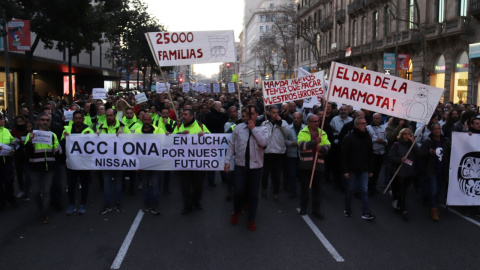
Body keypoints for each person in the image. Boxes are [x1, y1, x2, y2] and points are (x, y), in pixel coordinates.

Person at [226, 105, 270, 231]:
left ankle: (251, 219)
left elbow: (264, 143)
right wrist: (227, 161)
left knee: (253, 194)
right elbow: (231, 145)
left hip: (255, 167)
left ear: (257, 115)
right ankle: (237, 210)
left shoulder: (263, 129)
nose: (250, 116)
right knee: (238, 191)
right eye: (247, 113)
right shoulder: (239, 128)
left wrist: (253, 129)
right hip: (240, 166)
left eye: (252, 113)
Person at [24, 112, 61, 224]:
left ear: (49, 123)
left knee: (46, 192)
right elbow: (27, 152)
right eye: (42, 120)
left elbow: (57, 151)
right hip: (35, 168)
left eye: (47, 120)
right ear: (38, 122)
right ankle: (42, 208)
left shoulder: (53, 135)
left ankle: (45, 213)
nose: (45, 122)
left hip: (48, 168)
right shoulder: (31, 135)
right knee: (35, 192)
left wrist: (57, 150)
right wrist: (30, 141)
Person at [174, 109, 210, 215]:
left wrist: (205, 134)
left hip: (199, 162)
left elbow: (212, 138)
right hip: (184, 162)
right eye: (182, 114)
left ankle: (196, 201)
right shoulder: (179, 127)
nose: (183, 117)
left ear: (191, 116)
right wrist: (180, 134)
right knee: (185, 186)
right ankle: (187, 205)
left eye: (185, 114)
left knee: (198, 185)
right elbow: (171, 140)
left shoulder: (201, 126)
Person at [97, 108, 131, 214]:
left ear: (115, 115)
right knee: (106, 183)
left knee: (118, 182)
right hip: (106, 160)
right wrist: (96, 135)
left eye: (111, 115)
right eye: (107, 116)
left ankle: (117, 202)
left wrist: (123, 136)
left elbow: (131, 140)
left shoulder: (122, 126)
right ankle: (107, 204)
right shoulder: (101, 127)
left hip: (118, 160)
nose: (109, 117)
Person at [341, 117, 376, 220]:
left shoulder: (367, 137)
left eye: (365, 123)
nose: (364, 125)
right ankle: (347, 209)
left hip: (364, 168)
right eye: (362, 123)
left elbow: (370, 154)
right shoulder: (349, 137)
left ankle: (366, 212)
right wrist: (345, 170)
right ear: (356, 125)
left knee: (364, 190)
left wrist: (371, 169)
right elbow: (344, 155)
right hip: (352, 168)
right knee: (350, 190)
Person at [61, 111, 94, 215]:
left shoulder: (89, 130)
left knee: (84, 185)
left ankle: (83, 204)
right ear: (73, 119)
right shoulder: (67, 130)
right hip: (71, 163)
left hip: (84, 163)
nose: (78, 120)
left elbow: (94, 146)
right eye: (76, 118)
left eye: (80, 118)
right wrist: (65, 140)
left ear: (83, 119)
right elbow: (62, 146)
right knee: (71, 185)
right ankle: (71, 204)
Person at [297, 114, 330, 219]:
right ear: (309, 122)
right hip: (306, 166)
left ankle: (316, 210)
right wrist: (314, 142)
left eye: (318, 121)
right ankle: (303, 208)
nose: (316, 123)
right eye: (314, 121)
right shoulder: (303, 132)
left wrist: (322, 148)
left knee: (317, 190)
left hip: (318, 166)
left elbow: (328, 147)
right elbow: (302, 146)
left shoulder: (323, 133)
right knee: (304, 189)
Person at [135, 113, 164, 215]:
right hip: (143, 163)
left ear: (151, 120)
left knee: (155, 185)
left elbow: (164, 143)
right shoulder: (137, 131)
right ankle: (147, 203)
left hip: (155, 163)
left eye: (148, 120)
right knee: (146, 185)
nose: (147, 122)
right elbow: (134, 148)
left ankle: (155, 205)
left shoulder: (158, 130)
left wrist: (167, 136)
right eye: (145, 120)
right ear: (142, 120)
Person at [389, 128, 421, 221]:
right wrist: (400, 159)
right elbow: (391, 157)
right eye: (405, 134)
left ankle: (398, 204)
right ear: (401, 135)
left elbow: (419, 154)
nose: (407, 136)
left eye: (409, 135)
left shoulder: (412, 145)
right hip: (400, 172)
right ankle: (404, 210)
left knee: (404, 190)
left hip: (410, 172)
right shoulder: (396, 145)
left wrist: (413, 143)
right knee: (402, 190)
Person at [420, 123, 449, 221]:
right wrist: (428, 153)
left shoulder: (445, 141)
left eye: (439, 129)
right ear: (432, 131)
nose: (437, 131)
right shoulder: (427, 142)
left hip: (442, 170)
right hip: (432, 170)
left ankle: (433, 205)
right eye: (435, 129)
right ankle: (434, 210)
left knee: (439, 190)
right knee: (434, 190)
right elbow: (420, 154)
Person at [261, 106, 289, 202]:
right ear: (269, 113)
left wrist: (281, 124)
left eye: (277, 112)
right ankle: (264, 187)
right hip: (267, 151)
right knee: (265, 173)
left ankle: (276, 192)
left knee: (277, 174)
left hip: (278, 152)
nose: (276, 114)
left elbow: (288, 133)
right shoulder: (264, 123)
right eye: (273, 112)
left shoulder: (283, 123)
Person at [366, 113, 388, 196]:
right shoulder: (368, 128)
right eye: (374, 118)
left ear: (380, 119)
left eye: (377, 118)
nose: (375, 120)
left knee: (377, 171)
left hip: (381, 152)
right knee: (371, 171)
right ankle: (368, 188)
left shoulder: (384, 128)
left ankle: (373, 187)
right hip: (372, 152)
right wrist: (375, 140)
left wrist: (383, 141)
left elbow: (387, 140)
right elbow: (366, 140)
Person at [0, 113, 18, 211]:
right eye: (1, 119)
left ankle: (11, 198)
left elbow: (12, 142)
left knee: (9, 181)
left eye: (2, 119)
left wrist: (12, 148)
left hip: (7, 160)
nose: (3, 121)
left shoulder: (7, 130)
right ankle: (2, 201)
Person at [285, 112, 305, 198]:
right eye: (294, 118)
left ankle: (303, 192)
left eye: (298, 118)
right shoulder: (288, 128)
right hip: (292, 155)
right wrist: (290, 143)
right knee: (292, 174)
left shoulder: (305, 128)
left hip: (303, 155)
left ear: (301, 119)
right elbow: (284, 140)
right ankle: (293, 191)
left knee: (302, 175)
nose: (296, 119)